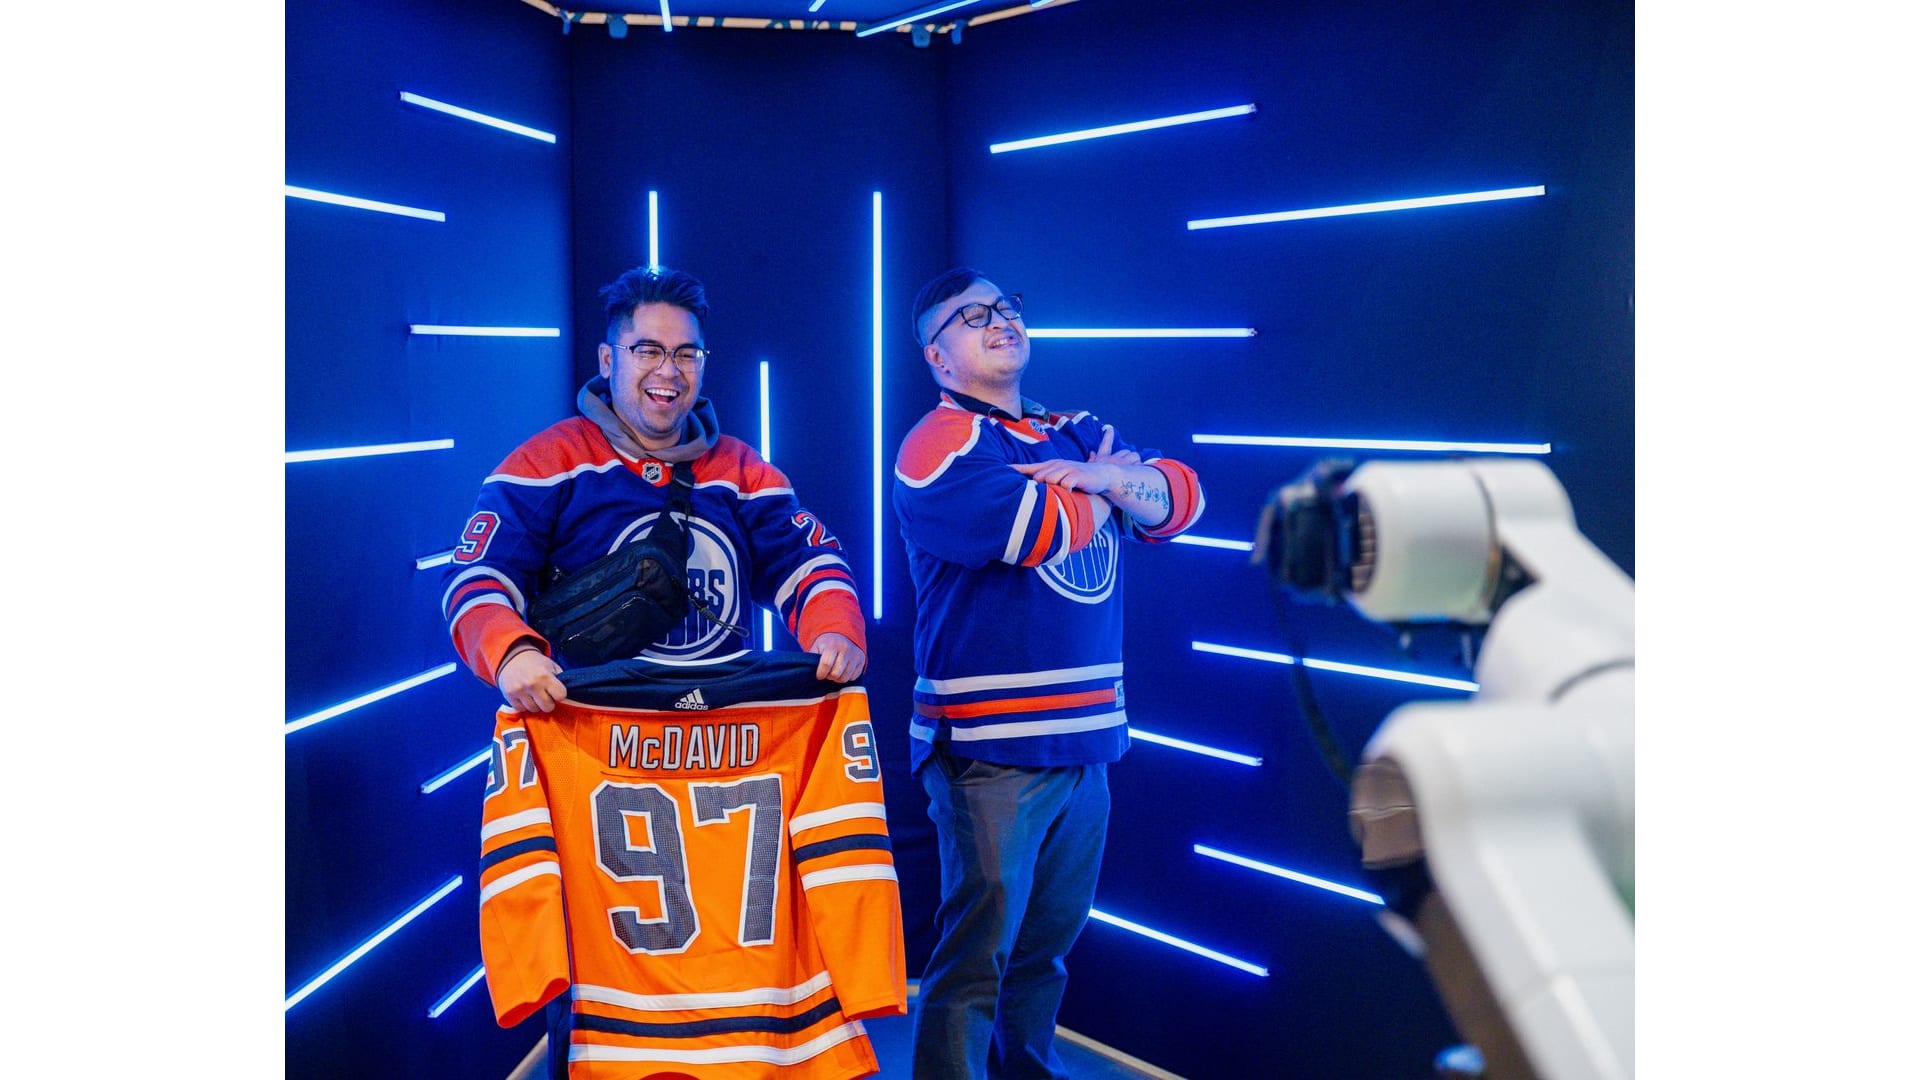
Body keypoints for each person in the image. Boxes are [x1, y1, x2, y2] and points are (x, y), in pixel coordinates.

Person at [440, 265, 869, 1076]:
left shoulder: (742, 470)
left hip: (730, 773)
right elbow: (476, 577)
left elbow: (812, 561)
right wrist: (512, 651)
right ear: (608, 359)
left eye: (686, 353)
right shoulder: (548, 462)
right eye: (647, 350)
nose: (668, 370)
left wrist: (835, 629)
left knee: (742, 989)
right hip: (600, 774)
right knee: (598, 1002)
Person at [892, 268, 1206, 1078]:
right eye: (971, 316)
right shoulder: (938, 444)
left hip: (1086, 742)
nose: (999, 320)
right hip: (990, 751)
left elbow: (1181, 500)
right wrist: (1112, 487)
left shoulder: (1076, 429)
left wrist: (1106, 479)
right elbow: (1036, 528)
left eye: (1004, 306)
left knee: (1046, 954)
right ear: (937, 355)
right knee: (975, 960)